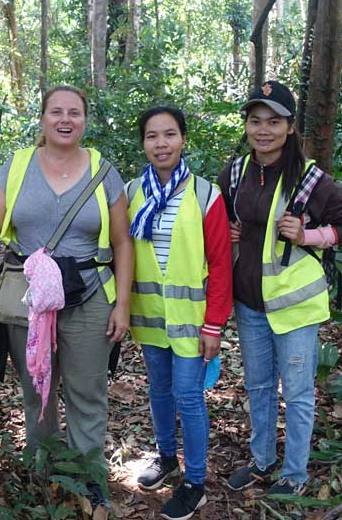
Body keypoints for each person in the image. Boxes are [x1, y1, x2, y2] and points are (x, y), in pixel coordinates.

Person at [0, 85, 133, 512]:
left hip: (89, 295)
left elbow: (122, 242)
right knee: (38, 391)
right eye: (56, 112)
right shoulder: (18, 165)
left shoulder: (103, 171)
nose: (65, 119)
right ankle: (44, 473)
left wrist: (122, 306)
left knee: (87, 393)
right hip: (28, 300)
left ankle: (88, 479)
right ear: (42, 118)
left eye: (75, 113)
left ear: (85, 120)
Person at [219, 80, 342, 497]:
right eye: (255, 121)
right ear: (246, 126)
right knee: (259, 386)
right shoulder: (235, 172)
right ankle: (262, 461)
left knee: (297, 392)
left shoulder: (311, 179)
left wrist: (309, 237)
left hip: (296, 307)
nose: (263, 130)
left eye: (274, 121)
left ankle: (295, 475)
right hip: (250, 304)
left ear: (289, 127)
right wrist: (230, 233)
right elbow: (226, 222)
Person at [125, 106, 233, 520]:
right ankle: (167, 457)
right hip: (150, 315)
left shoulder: (205, 194)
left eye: (169, 134)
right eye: (152, 136)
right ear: (143, 144)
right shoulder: (133, 192)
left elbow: (221, 264)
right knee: (159, 391)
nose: (161, 143)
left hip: (193, 321)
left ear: (183, 139)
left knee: (189, 397)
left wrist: (214, 325)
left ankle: (196, 483)